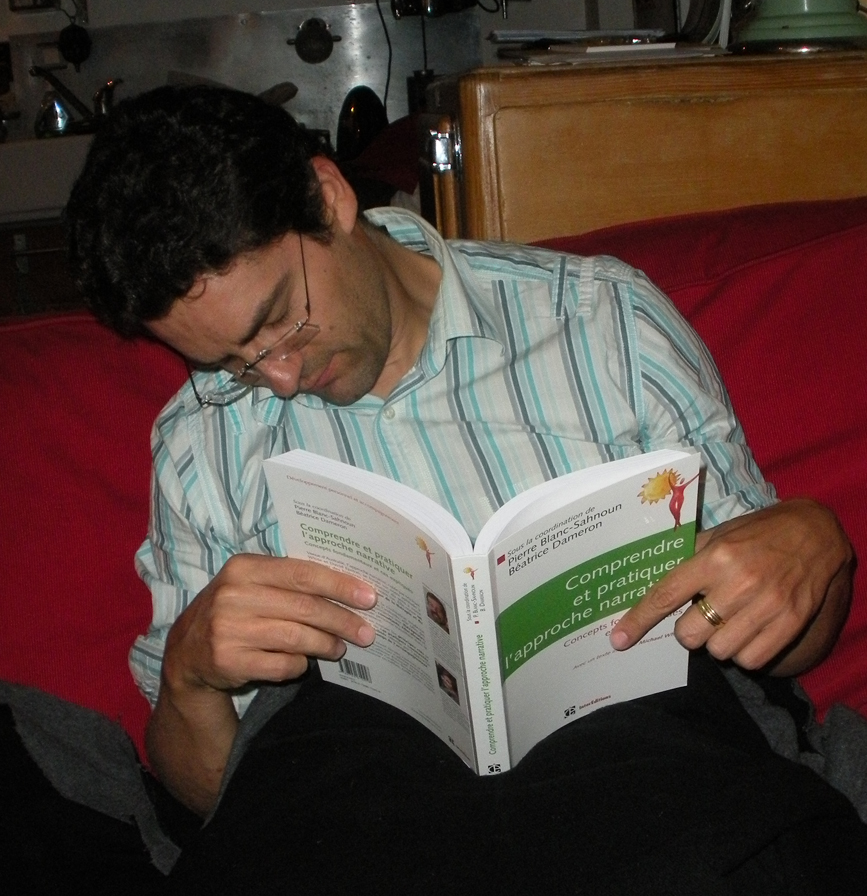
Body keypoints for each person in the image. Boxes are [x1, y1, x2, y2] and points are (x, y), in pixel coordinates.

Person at [63, 85, 865, 893]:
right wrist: (191, 680)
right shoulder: (200, 442)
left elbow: (782, 643)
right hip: (365, 813)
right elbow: (220, 804)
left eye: (279, 324)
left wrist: (812, 550)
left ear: (328, 197)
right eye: (229, 364)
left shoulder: (602, 320)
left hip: (644, 771)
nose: (277, 378)